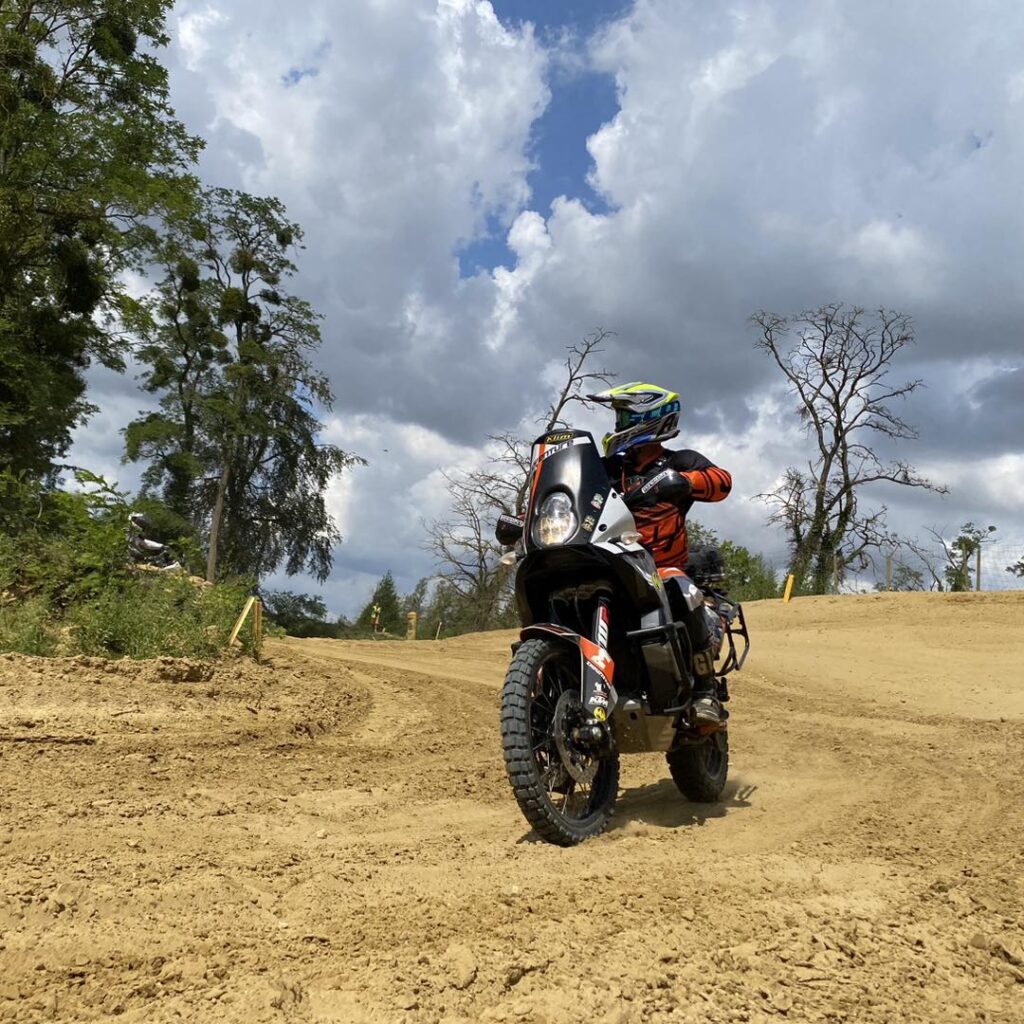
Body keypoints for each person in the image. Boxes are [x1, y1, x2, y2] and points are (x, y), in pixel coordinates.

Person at [590, 382, 732, 728]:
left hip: (662, 567)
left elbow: (722, 481)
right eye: (618, 417)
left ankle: (704, 690)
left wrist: (684, 482)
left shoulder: (678, 461)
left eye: (624, 416)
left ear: (648, 417)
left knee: (677, 586)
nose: (618, 424)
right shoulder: (609, 469)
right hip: (610, 563)